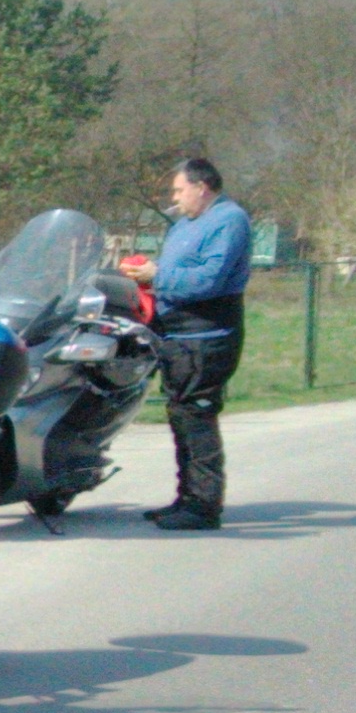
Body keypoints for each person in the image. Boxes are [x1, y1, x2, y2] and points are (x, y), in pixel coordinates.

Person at [132, 157, 251, 530]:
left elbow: (208, 280)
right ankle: (186, 497)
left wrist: (158, 275)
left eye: (179, 190)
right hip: (177, 336)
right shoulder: (186, 224)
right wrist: (147, 277)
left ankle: (204, 506)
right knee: (181, 416)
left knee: (197, 417)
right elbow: (176, 272)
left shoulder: (229, 220)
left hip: (206, 337)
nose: (175, 198)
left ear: (202, 187)